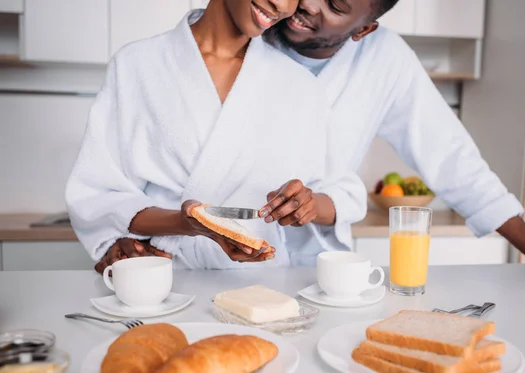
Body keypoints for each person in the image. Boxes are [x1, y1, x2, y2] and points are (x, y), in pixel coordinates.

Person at [99, 0, 525, 274]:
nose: (305, 5)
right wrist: (127, 233)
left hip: (308, 269)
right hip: (181, 260)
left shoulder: (384, 61)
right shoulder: (245, 31)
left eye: (335, 5)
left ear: (364, 30)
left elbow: (452, 157)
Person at [66, 0, 367, 273]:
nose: (282, 5)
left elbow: (342, 192)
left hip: (262, 283)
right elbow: (100, 196)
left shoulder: (299, 86)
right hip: (164, 276)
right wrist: (186, 224)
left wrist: (306, 203)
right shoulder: (138, 64)